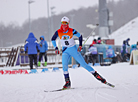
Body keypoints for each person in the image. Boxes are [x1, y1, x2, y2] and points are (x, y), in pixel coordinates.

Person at [51, 16, 111, 89]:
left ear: (68, 23)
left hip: (73, 50)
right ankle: (67, 82)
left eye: (65, 23)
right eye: (62, 23)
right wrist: (56, 47)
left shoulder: (71, 30)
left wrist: (80, 46)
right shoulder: (58, 32)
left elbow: (80, 36)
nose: (64, 25)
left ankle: (99, 77)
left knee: (84, 65)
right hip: (65, 51)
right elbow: (53, 39)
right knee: (64, 66)